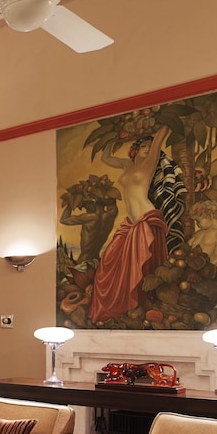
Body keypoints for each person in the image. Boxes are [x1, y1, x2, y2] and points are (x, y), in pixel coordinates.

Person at [89, 125, 171, 323]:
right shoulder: (127, 165)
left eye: (150, 146)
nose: (148, 148)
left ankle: (137, 309)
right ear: (135, 149)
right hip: (131, 224)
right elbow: (105, 158)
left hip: (146, 220)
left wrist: (164, 121)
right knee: (108, 260)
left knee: (140, 268)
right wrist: (115, 136)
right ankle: (120, 309)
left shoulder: (149, 163)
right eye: (144, 145)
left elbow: (160, 137)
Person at [188, 199, 217, 265]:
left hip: (207, 268)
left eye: (198, 221)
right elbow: (187, 248)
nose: (197, 224)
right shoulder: (198, 233)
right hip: (190, 267)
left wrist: (205, 268)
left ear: (210, 216)